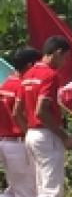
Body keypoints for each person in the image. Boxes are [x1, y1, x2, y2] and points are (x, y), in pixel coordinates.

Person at [19, 35, 72, 197]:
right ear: (58, 53)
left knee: (42, 185)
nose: (65, 63)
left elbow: (17, 111)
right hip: (47, 134)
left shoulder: (27, 75)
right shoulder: (50, 75)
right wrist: (65, 136)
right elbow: (41, 111)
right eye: (65, 58)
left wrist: (29, 132)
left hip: (32, 134)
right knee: (52, 188)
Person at [0, 46, 41, 197]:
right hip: (19, 144)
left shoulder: (5, 84)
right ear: (30, 66)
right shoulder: (22, 86)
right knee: (27, 191)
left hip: (5, 142)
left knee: (15, 188)